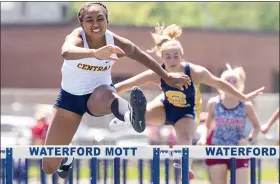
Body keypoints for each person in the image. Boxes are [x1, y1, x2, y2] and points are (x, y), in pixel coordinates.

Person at [42, 2, 191, 178]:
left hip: (98, 94)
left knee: (107, 94)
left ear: (107, 21)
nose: (95, 24)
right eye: (89, 20)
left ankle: (131, 116)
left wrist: (167, 77)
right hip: (70, 100)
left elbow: (140, 55)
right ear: (82, 24)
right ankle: (67, 156)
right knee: (49, 166)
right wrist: (94, 54)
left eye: (100, 19)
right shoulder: (77, 36)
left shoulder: (115, 42)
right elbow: (66, 51)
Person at [108, 24, 264, 180]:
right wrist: (104, 93)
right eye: (167, 57)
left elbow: (219, 83)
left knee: (184, 138)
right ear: (161, 58)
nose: (172, 60)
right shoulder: (156, 73)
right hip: (166, 107)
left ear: (181, 56)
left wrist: (243, 97)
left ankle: (184, 166)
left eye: (176, 56)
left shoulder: (195, 72)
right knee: (147, 111)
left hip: (187, 112)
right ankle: (130, 117)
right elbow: (125, 85)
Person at [197, 64, 261, 184]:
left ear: (240, 84)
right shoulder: (213, 103)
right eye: (228, 81)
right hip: (218, 149)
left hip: (238, 149)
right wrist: (203, 138)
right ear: (221, 84)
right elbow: (207, 125)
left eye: (234, 81)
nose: (231, 83)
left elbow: (257, 127)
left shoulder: (246, 105)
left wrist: (249, 140)